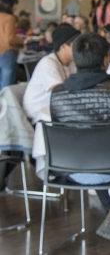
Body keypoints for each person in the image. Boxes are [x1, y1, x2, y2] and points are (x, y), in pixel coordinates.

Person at [50, 33, 110, 240]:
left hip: (69, 170)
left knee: (104, 157)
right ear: (106, 59)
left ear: (75, 59)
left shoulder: (57, 94)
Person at [24, 25, 81, 174]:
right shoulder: (48, 63)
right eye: (76, 45)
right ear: (63, 46)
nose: (79, 49)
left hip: (54, 108)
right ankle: (64, 166)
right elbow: (60, 92)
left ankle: (76, 165)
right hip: (37, 113)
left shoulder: (70, 63)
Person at [0, 0, 23, 89]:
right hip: (6, 53)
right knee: (6, 87)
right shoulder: (10, 18)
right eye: (14, 5)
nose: (15, 8)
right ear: (9, 5)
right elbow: (9, 39)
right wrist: (21, 41)